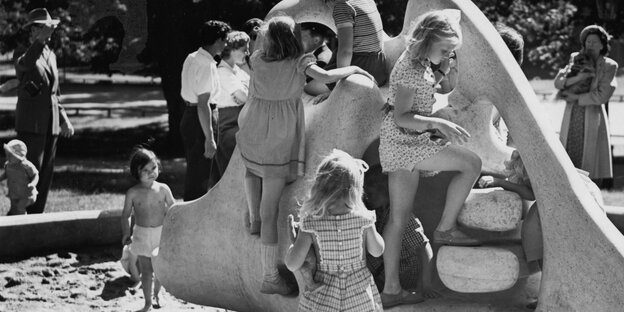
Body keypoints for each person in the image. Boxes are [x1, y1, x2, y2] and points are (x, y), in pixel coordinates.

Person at [235, 15, 374, 295]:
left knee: (251, 168)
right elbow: (325, 77)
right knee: (271, 207)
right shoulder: (301, 62)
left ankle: (253, 219)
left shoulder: (258, 58)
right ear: (293, 38)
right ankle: (269, 276)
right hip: (279, 138)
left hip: (253, 126)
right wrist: (353, 68)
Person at [378, 10, 482, 307]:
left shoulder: (419, 60)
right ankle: (446, 228)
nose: (449, 54)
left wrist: (441, 71)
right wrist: (439, 124)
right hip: (404, 142)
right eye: (446, 49)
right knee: (471, 164)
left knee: (399, 219)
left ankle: (391, 289)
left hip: (402, 144)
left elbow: (421, 93)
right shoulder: (411, 68)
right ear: (428, 40)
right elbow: (402, 117)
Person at [285, 149, 384, 312]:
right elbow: (377, 251)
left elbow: (292, 264)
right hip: (358, 294)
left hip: (323, 293)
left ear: (319, 188)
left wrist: (292, 249)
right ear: (355, 189)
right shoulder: (363, 219)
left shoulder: (311, 223)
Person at [14, 8, 74, 214]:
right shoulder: (23, 52)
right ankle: (19, 218)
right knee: (30, 174)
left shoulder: (51, 55)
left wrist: (64, 119)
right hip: (31, 124)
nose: (47, 33)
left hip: (51, 124)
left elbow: (55, 92)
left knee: (46, 175)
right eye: (41, 28)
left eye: (47, 29)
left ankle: (37, 219)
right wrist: (39, 41)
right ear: (32, 32)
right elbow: (25, 65)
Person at [554, 25, 618, 182]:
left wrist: (576, 98)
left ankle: (590, 193)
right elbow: (559, 82)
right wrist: (579, 78)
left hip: (592, 115)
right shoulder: (576, 57)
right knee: (568, 156)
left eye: (595, 42)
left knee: (590, 159)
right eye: (588, 42)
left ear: (603, 45)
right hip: (572, 114)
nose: (590, 45)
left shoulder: (609, 66)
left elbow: (602, 96)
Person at [363, 164, 436, 298]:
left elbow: (424, 248)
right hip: (382, 272)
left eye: (371, 194)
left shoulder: (401, 217)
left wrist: (426, 284)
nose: (367, 198)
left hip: (404, 274)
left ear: (387, 193)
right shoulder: (377, 212)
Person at [180, 20, 231, 201]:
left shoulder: (192, 57)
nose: (226, 45)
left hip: (190, 116)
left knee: (196, 172)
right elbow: (203, 103)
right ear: (217, 40)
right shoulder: (206, 64)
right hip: (201, 119)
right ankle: (192, 221)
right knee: (200, 177)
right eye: (225, 40)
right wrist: (209, 138)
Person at [121, 147, 175, 312]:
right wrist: (126, 233)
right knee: (146, 271)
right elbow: (126, 215)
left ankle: (158, 294)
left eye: (154, 168)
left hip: (161, 234)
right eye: (145, 170)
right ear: (136, 172)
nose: (151, 172)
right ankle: (147, 303)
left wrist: (175, 230)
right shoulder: (133, 193)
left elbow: (174, 210)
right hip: (142, 234)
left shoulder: (163, 189)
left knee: (159, 269)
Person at [212, 31, 254, 229]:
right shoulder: (223, 72)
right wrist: (246, 95)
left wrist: (247, 94)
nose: (247, 52)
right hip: (229, 124)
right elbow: (244, 96)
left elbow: (252, 91)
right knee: (231, 170)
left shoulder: (238, 71)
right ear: (232, 49)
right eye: (243, 49)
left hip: (243, 123)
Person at [325, 0, 389, 87]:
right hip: (379, 68)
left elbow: (345, 51)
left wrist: (339, 86)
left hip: (361, 68)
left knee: (310, 87)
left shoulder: (342, 6)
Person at [0, 140, 39, 215]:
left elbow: (35, 174)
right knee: (14, 209)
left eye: (10, 155)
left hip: (27, 194)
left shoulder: (26, 166)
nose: (7, 157)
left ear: (18, 156)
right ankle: (12, 220)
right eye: (7, 155)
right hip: (14, 193)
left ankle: (23, 223)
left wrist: (33, 183)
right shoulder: (8, 165)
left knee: (20, 207)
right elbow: (6, 174)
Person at [301, 22, 333, 96]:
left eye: (301, 38)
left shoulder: (321, 60)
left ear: (316, 40)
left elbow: (309, 89)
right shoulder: (319, 54)